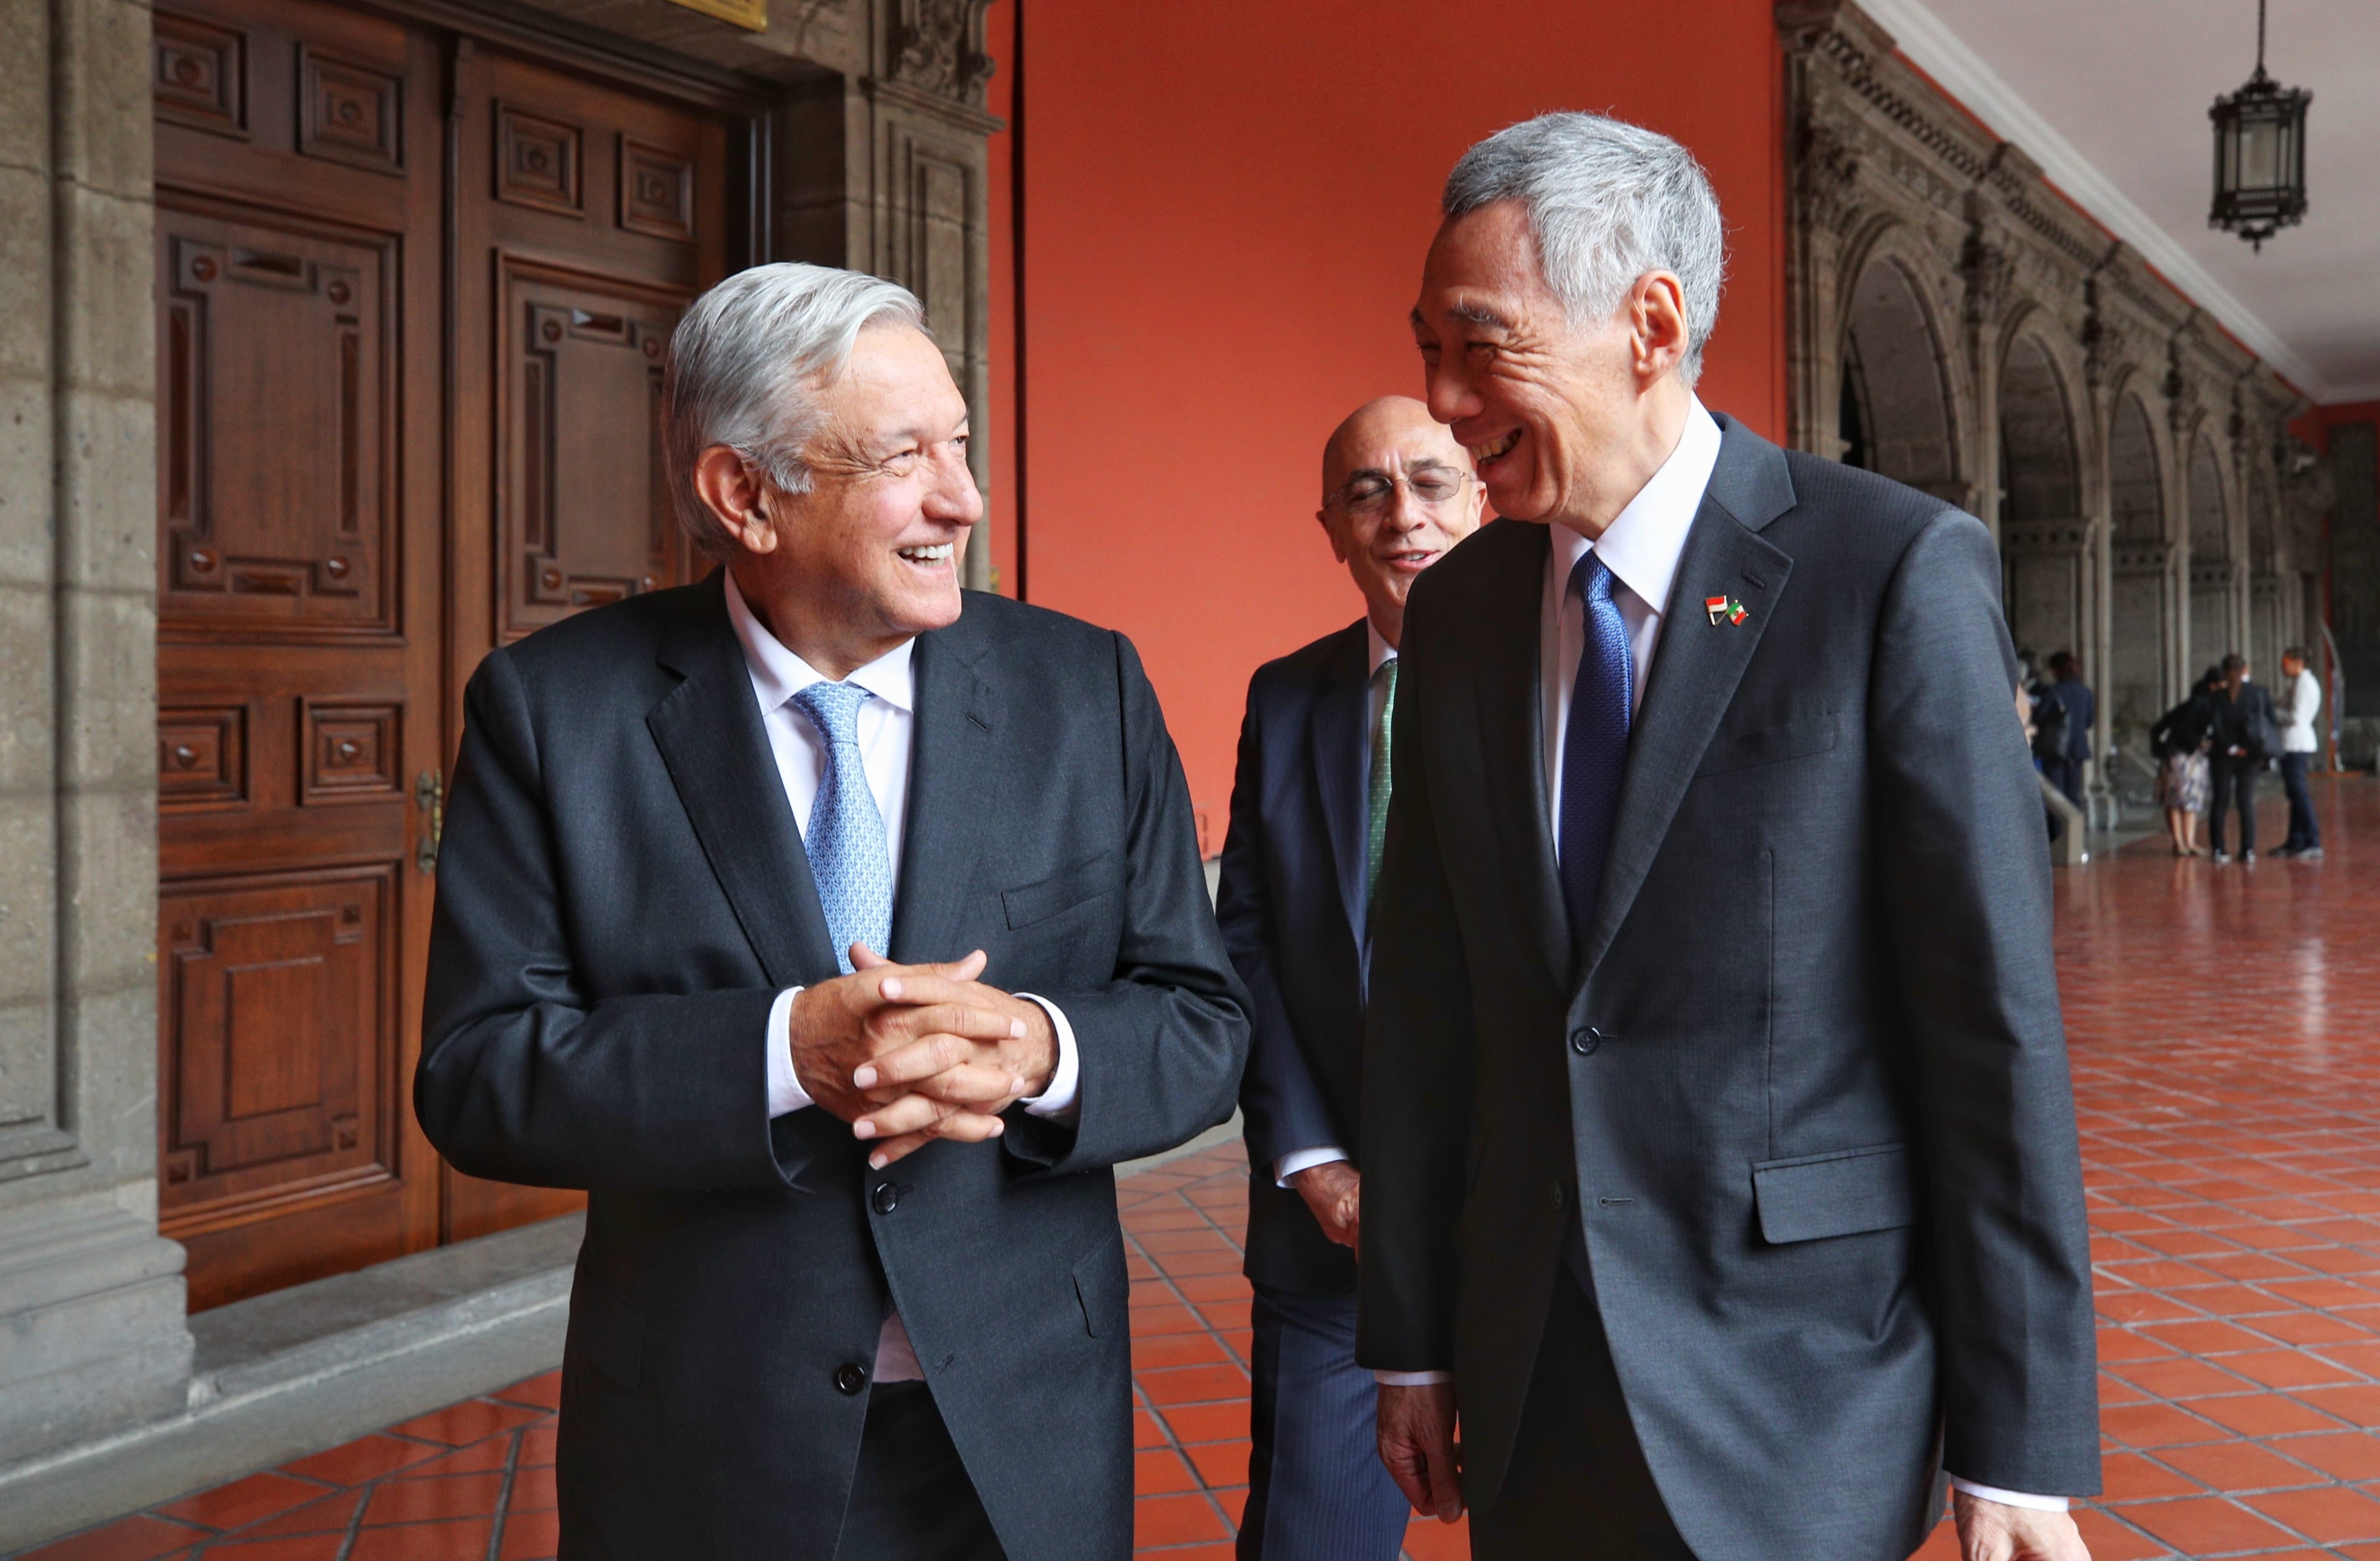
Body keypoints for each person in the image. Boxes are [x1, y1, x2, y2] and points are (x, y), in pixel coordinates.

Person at [414, 263, 1250, 1561]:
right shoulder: (553, 711)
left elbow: (1199, 1023)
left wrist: (1039, 1047)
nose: (961, 498)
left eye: (959, 444)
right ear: (744, 493)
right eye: (903, 455)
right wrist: (780, 1051)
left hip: (1023, 1424)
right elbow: (478, 1076)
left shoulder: (1085, 688)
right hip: (708, 1437)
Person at [1360, 113, 2099, 1561]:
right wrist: (1408, 1336)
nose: (1439, 398)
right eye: (1423, 345)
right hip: (1529, 1369)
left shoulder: (1884, 570)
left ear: (1648, 323)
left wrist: (2015, 1442)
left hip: (1797, 1383)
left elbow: (1988, 1028)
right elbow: (1424, 1000)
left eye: (1476, 342)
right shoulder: (1454, 615)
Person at [1215, 398, 1482, 1561]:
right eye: (1367, 491)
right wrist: (1314, 1163)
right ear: (1329, 525)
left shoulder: (1580, 684)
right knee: (1308, 1543)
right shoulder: (1288, 698)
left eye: (1431, 483)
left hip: (1538, 1229)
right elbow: (1248, 949)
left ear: (1483, 499)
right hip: (1338, 1237)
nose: (1403, 515)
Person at [2206, 652, 2280, 866]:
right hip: (2251, 755)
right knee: (2245, 801)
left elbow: (2215, 726)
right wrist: (2248, 748)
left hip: (2223, 754)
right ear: (2244, 670)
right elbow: (2269, 724)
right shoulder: (2259, 693)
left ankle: (2219, 849)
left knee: (2220, 801)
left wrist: (2231, 746)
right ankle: (2247, 849)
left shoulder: (2217, 697)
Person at [2149, 668, 2220, 857]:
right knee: (2176, 799)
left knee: (2191, 801)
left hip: (2194, 759)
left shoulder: (2201, 704)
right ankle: (2179, 842)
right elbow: (2171, 729)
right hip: (2182, 756)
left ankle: (2188, 841)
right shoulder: (2198, 705)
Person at [2270, 646, 2324, 859]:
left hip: (2297, 743)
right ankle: (2296, 840)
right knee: (2294, 794)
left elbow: (2295, 716)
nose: (2282, 668)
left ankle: (2312, 840)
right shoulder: (2298, 683)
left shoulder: (2304, 684)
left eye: (2285, 664)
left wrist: (2270, 712)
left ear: (2297, 662)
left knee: (2299, 794)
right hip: (2292, 743)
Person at [2041, 652, 2095, 809]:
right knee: (2073, 793)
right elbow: (2088, 722)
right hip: (2077, 748)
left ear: (2056, 670)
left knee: (2057, 796)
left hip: (2055, 747)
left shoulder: (2053, 691)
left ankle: (2060, 832)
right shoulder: (2085, 692)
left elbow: (2040, 717)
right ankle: (2075, 831)